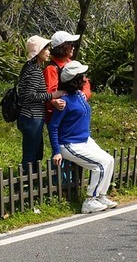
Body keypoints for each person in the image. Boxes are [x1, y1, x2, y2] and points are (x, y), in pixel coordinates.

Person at [48, 60, 118, 214]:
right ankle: (89, 201)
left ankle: (101, 196)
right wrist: (56, 151)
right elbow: (53, 126)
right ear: (75, 79)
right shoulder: (64, 102)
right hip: (69, 144)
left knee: (109, 160)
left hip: (84, 140)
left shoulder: (79, 95)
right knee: (99, 165)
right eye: (82, 76)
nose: (85, 78)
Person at [15, 35, 65, 168]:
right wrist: (53, 95)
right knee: (32, 154)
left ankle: (32, 180)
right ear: (38, 52)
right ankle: (27, 181)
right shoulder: (35, 72)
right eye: (46, 49)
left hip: (32, 117)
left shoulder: (30, 69)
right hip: (32, 117)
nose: (49, 52)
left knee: (36, 152)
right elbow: (29, 96)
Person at [45, 30, 92, 115]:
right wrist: (53, 102)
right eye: (71, 45)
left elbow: (85, 82)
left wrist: (84, 94)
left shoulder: (71, 63)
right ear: (64, 47)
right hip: (60, 114)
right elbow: (49, 93)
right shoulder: (51, 69)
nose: (73, 48)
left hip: (76, 110)